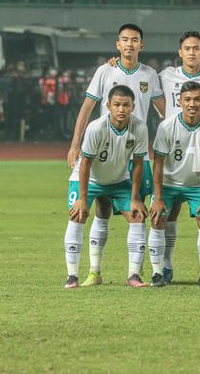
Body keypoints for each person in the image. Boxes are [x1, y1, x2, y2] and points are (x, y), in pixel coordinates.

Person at [66, 23, 164, 286]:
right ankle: (90, 272)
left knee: (137, 211)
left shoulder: (150, 74)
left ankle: (139, 272)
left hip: (135, 152)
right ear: (117, 44)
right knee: (101, 209)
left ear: (142, 45)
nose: (130, 44)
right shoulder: (105, 70)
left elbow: (163, 111)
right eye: (125, 40)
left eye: (135, 40)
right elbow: (87, 108)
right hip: (103, 148)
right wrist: (75, 143)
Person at [63, 85, 149, 289]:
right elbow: (85, 163)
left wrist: (136, 197)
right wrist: (83, 198)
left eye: (126, 105)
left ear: (133, 106)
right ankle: (73, 276)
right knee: (78, 214)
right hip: (88, 179)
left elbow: (138, 164)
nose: (121, 109)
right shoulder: (96, 128)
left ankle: (133, 275)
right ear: (108, 106)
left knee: (137, 216)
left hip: (119, 180)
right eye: (117, 105)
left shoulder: (139, 128)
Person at [157, 31, 200, 284]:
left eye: (197, 48)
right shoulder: (164, 75)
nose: (192, 52)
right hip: (174, 143)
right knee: (165, 216)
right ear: (180, 52)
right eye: (187, 48)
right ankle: (164, 267)